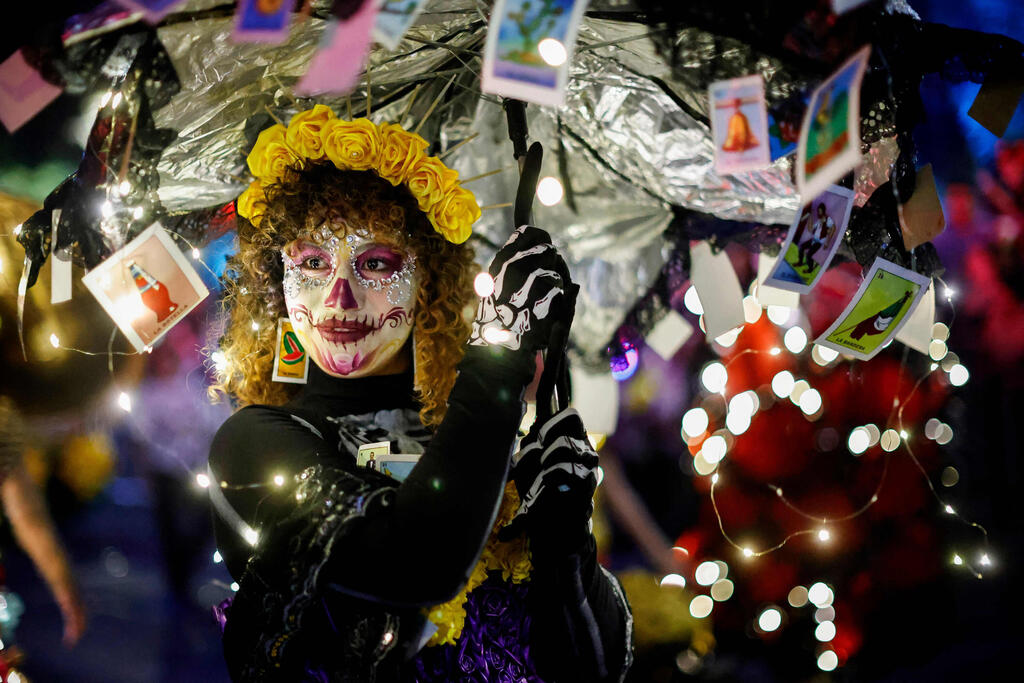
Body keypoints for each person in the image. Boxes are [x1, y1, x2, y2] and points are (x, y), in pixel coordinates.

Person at [207, 106, 633, 681]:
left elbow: (596, 672)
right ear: (278, 281)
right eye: (312, 262)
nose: (339, 297)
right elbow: (417, 565)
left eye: (376, 263)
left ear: (428, 281)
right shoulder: (252, 447)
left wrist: (566, 544)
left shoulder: (478, 442)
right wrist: (497, 360)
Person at [795, 201, 834, 273]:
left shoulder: (828, 219)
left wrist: (827, 242)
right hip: (813, 239)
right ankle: (800, 262)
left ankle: (810, 269)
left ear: (823, 211)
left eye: (821, 211)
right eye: (818, 211)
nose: (819, 213)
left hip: (819, 242)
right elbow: (810, 229)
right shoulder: (819, 221)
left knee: (809, 255)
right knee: (802, 247)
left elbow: (833, 228)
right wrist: (810, 217)